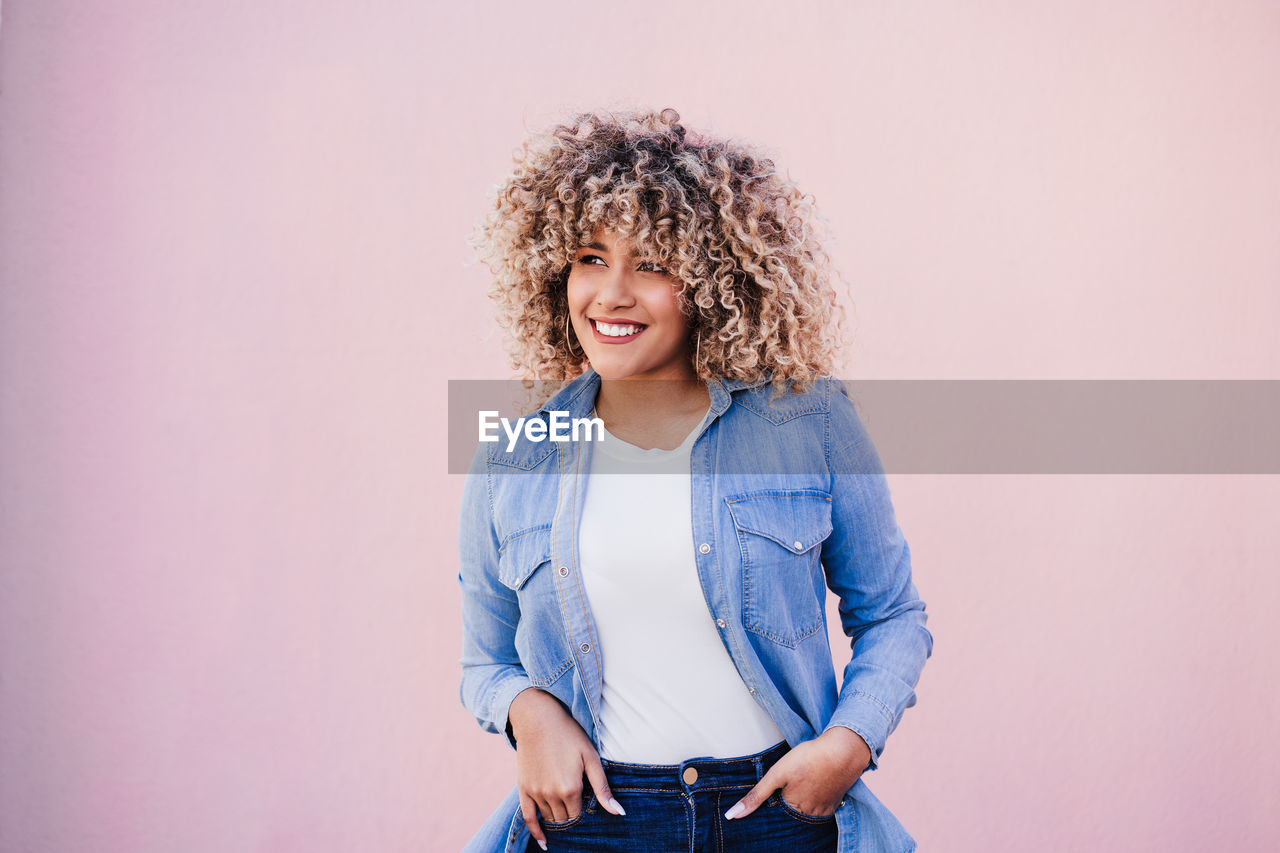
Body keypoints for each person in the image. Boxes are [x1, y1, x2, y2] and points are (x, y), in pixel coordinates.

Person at [458, 107, 932, 853]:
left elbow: (894, 614)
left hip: (779, 816)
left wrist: (847, 746)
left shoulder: (807, 422)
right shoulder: (517, 454)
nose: (611, 294)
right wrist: (528, 710)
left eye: (651, 264)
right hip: (598, 826)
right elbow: (484, 659)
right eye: (589, 257)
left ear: (715, 281)